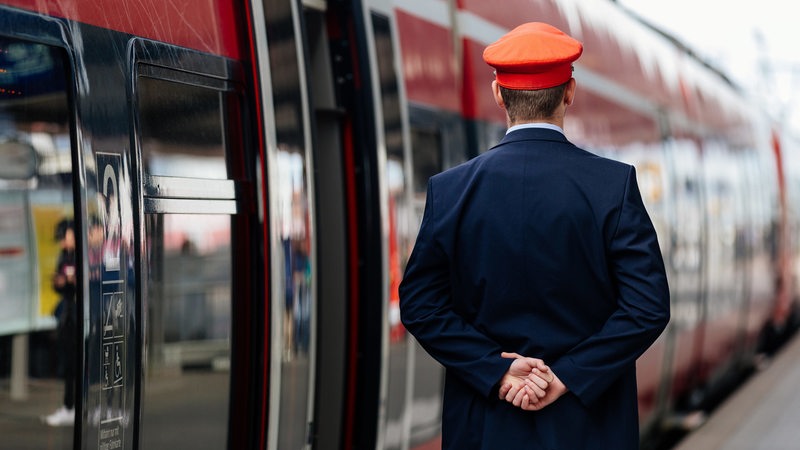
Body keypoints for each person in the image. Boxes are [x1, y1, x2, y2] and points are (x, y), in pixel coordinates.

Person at [398, 22, 670, 449]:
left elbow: (419, 305)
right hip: (589, 428)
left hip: (484, 428)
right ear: (570, 92)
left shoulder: (449, 190)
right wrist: (567, 376)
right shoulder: (612, 185)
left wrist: (496, 369)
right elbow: (647, 308)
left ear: (498, 94)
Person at [45, 218, 77, 427]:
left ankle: (73, 406)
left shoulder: (81, 254)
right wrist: (59, 282)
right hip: (68, 314)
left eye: (63, 237)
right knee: (68, 363)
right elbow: (60, 284)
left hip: (80, 315)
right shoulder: (64, 256)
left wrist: (70, 281)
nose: (61, 243)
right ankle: (69, 406)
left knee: (76, 364)